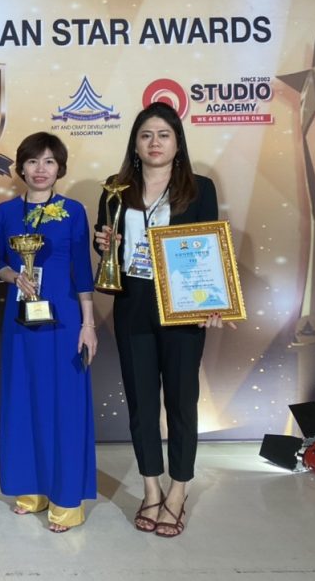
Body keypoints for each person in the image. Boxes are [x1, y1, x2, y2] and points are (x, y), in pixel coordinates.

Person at [94, 101, 231, 539]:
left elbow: (208, 246)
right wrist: (104, 243)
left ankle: (178, 490)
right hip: (132, 304)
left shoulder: (199, 188)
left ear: (177, 143)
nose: (155, 143)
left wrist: (214, 300)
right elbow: (106, 248)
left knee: (182, 401)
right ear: (135, 144)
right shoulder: (116, 189)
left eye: (164, 135)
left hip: (183, 307)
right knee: (141, 404)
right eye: (146, 135)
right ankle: (151, 489)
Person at [0, 132, 97, 532]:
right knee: (24, 399)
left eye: (49, 161)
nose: (40, 169)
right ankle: (31, 488)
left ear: (60, 168)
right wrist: (12, 275)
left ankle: (67, 499)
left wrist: (88, 325)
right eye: (33, 161)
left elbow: (82, 271)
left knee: (65, 405)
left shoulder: (73, 211)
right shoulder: (4, 212)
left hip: (65, 320)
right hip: (20, 319)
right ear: (21, 166)